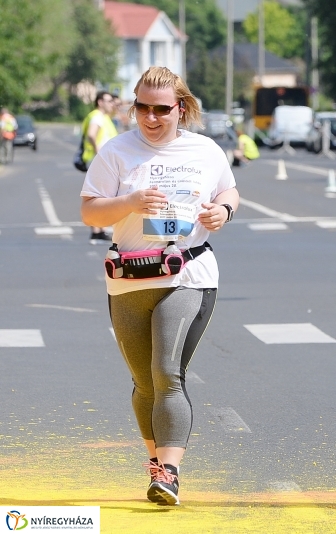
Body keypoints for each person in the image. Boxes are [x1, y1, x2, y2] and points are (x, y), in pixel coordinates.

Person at [80, 66, 239, 506]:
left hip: (187, 274)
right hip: (129, 278)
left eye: (161, 109)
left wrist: (223, 212)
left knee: (167, 373)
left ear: (181, 108)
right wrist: (129, 202)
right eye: (142, 108)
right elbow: (90, 212)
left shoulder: (204, 150)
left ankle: (170, 472)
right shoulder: (116, 151)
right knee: (143, 382)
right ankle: (156, 464)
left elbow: (229, 191)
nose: (151, 117)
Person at [81, 91, 119, 244]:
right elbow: (92, 134)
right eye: (108, 101)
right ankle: (97, 230)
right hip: (99, 160)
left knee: (103, 194)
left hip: (103, 160)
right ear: (100, 102)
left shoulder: (104, 117)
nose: (111, 104)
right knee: (98, 195)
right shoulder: (97, 116)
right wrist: (98, 150)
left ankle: (99, 229)